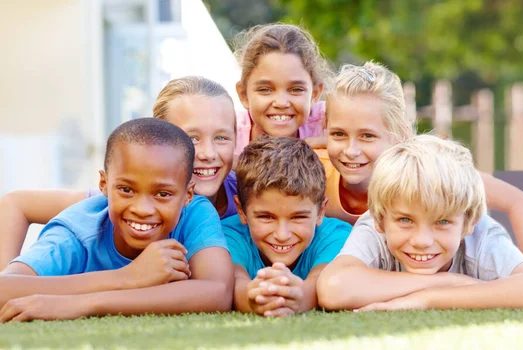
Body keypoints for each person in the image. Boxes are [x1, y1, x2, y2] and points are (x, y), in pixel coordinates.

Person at [0, 118, 233, 322]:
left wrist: (83, 304)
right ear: (103, 184)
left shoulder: (195, 213)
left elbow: (218, 291)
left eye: (163, 194)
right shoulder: (79, 232)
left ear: (188, 195)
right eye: (126, 189)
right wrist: (126, 277)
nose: (142, 209)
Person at [318, 61, 523, 265]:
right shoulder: (317, 172)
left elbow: (518, 202)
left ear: (399, 136)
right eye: (338, 134)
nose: (351, 150)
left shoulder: (429, 171)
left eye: (367, 136)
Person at [0, 76, 238, 268]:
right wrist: (8, 279)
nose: (208, 152)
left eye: (221, 137)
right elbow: (16, 203)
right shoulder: (107, 205)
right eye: (192, 138)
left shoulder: (249, 192)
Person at [317, 134, 523, 311]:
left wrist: (428, 299)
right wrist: (452, 281)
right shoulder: (373, 226)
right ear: (381, 220)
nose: (422, 241)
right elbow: (333, 288)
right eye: (406, 220)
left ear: (468, 223)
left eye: (441, 222)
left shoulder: (481, 237)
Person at [222, 136, 351, 317]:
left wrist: (297, 298)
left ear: (321, 210)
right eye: (266, 217)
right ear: (241, 210)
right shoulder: (228, 235)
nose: (282, 235)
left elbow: (320, 282)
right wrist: (255, 298)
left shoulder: (337, 236)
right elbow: (234, 283)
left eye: (298, 217)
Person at [233, 23, 330, 155]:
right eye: (265, 90)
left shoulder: (329, 123)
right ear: (243, 94)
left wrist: (326, 142)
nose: (281, 103)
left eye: (296, 89)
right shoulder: (228, 134)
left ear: (315, 94)